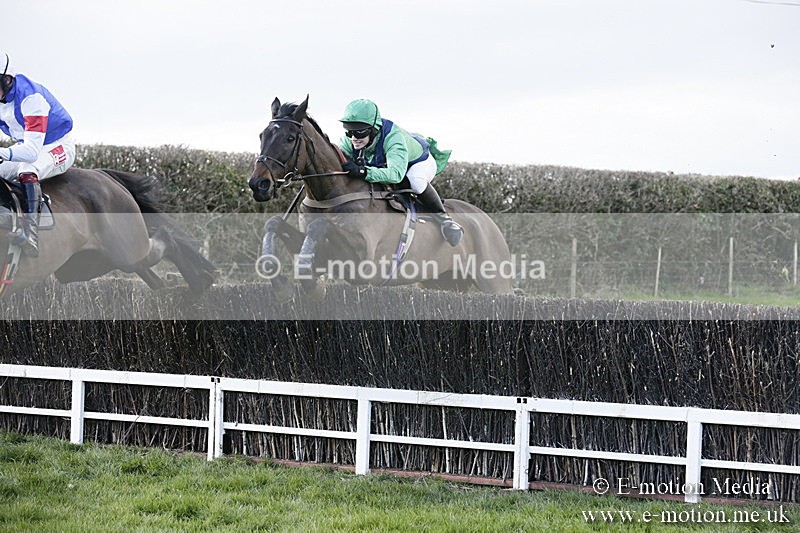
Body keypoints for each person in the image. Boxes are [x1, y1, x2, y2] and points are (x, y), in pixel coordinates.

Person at [338, 99, 463, 246]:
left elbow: (396, 174)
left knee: (415, 182)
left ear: (373, 130)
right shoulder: (349, 141)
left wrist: (363, 171)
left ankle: (445, 220)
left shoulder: (393, 138)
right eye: (349, 132)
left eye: (359, 133)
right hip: (389, 163)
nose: (353, 138)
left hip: (418, 162)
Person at [0, 52, 75, 257]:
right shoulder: (3, 95)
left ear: (7, 80)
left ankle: (31, 234)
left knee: (27, 168)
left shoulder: (31, 98)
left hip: (56, 146)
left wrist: (3, 153)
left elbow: (32, 152)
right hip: (28, 143)